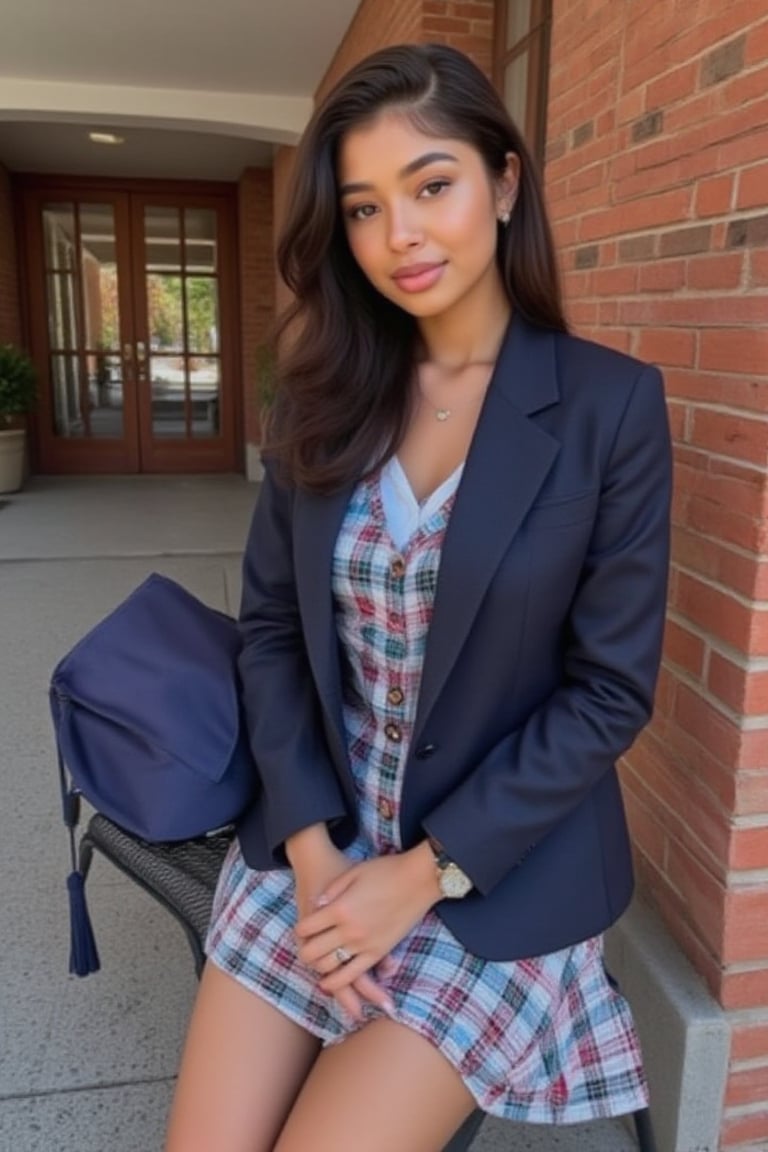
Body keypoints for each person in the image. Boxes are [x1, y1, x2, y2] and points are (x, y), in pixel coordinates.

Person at [165, 42, 672, 1152]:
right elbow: (271, 634)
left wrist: (422, 876)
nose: (398, 235)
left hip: (494, 879)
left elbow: (607, 693)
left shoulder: (608, 409)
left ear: (503, 182)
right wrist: (310, 853)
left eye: (431, 185)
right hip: (321, 846)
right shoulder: (322, 396)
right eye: (362, 207)